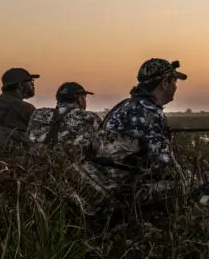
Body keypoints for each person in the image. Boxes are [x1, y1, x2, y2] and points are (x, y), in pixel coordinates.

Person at [77, 58, 189, 209]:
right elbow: (164, 164)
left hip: (101, 182)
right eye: (174, 81)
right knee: (183, 181)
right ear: (164, 83)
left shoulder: (124, 106)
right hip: (124, 191)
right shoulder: (150, 112)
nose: (176, 86)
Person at [27, 82, 101, 153]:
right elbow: (103, 148)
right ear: (80, 99)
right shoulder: (90, 118)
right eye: (84, 97)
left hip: (36, 163)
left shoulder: (37, 114)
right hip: (71, 165)